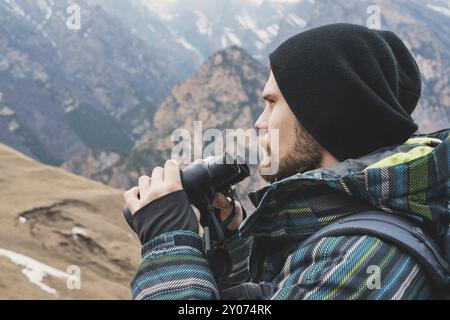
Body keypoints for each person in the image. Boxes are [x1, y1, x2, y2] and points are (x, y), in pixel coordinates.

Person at [124, 23, 449, 300]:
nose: (260, 123)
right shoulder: (350, 229)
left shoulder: (360, 259)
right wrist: (233, 247)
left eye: (272, 103)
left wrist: (168, 245)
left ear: (323, 113)